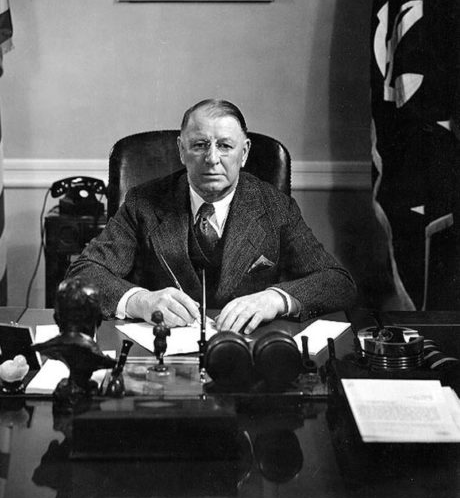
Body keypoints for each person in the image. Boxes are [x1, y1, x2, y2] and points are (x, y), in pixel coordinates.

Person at [66, 99, 356, 334]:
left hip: (248, 356)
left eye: (225, 146)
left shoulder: (275, 207)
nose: (212, 158)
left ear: (244, 153)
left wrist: (274, 299)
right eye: (200, 145)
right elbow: (82, 275)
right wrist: (141, 301)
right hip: (163, 359)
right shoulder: (143, 202)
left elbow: (337, 282)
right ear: (182, 150)